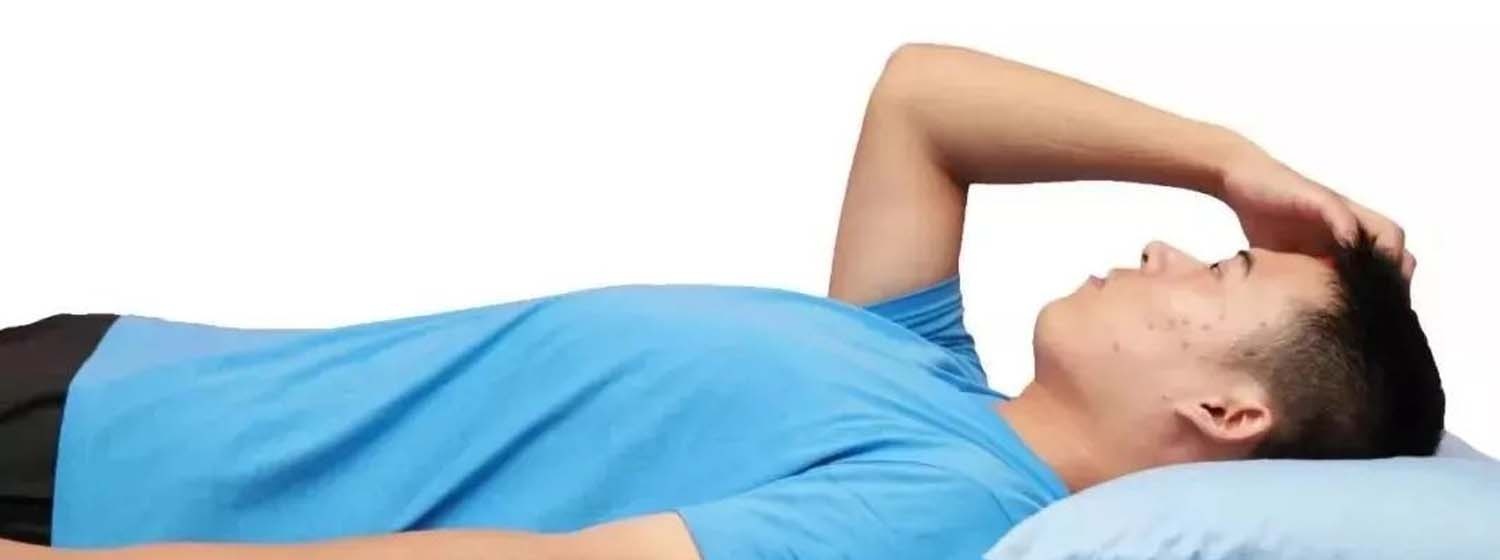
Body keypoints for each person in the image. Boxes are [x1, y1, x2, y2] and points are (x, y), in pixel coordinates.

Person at [0, 42, 1442, 560]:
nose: (1174, 249)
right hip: (128, 377)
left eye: (1224, 271)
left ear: (1228, 411)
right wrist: (1231, 161)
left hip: (94, 491)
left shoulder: (938, 512)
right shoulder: (927, 371)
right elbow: (923, 99)